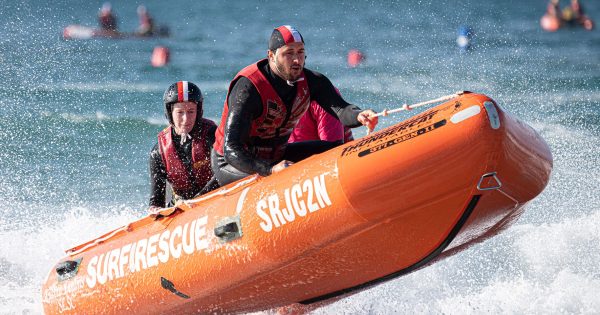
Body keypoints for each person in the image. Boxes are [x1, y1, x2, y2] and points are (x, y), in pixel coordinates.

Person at [211, 25, 378, 186]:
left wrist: (359, 115)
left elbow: (342, 109)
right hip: (233, 163)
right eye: (289, 53)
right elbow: (232, 149)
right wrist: (270, 170)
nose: (297, 60)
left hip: (277, 155)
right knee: (276, 176)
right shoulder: (249, 87)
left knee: (335, 149)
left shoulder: (313, 81)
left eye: (301, 52)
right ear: (271, 55)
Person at [148, 81, 218, 212]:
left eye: (191, 111)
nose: (186, 119)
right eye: (180, 112)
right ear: (170, 113)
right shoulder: (158, 152)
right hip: (181, 208)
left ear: (198, 112)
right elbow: (156, 202)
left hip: (214, 198)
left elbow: (223, 173)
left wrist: (197, 200)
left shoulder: (212, 135)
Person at [288, 97, 354, 144]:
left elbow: (331, 148)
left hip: (329, 156)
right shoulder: (280, 98)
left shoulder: (323, 97)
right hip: (291, 158)